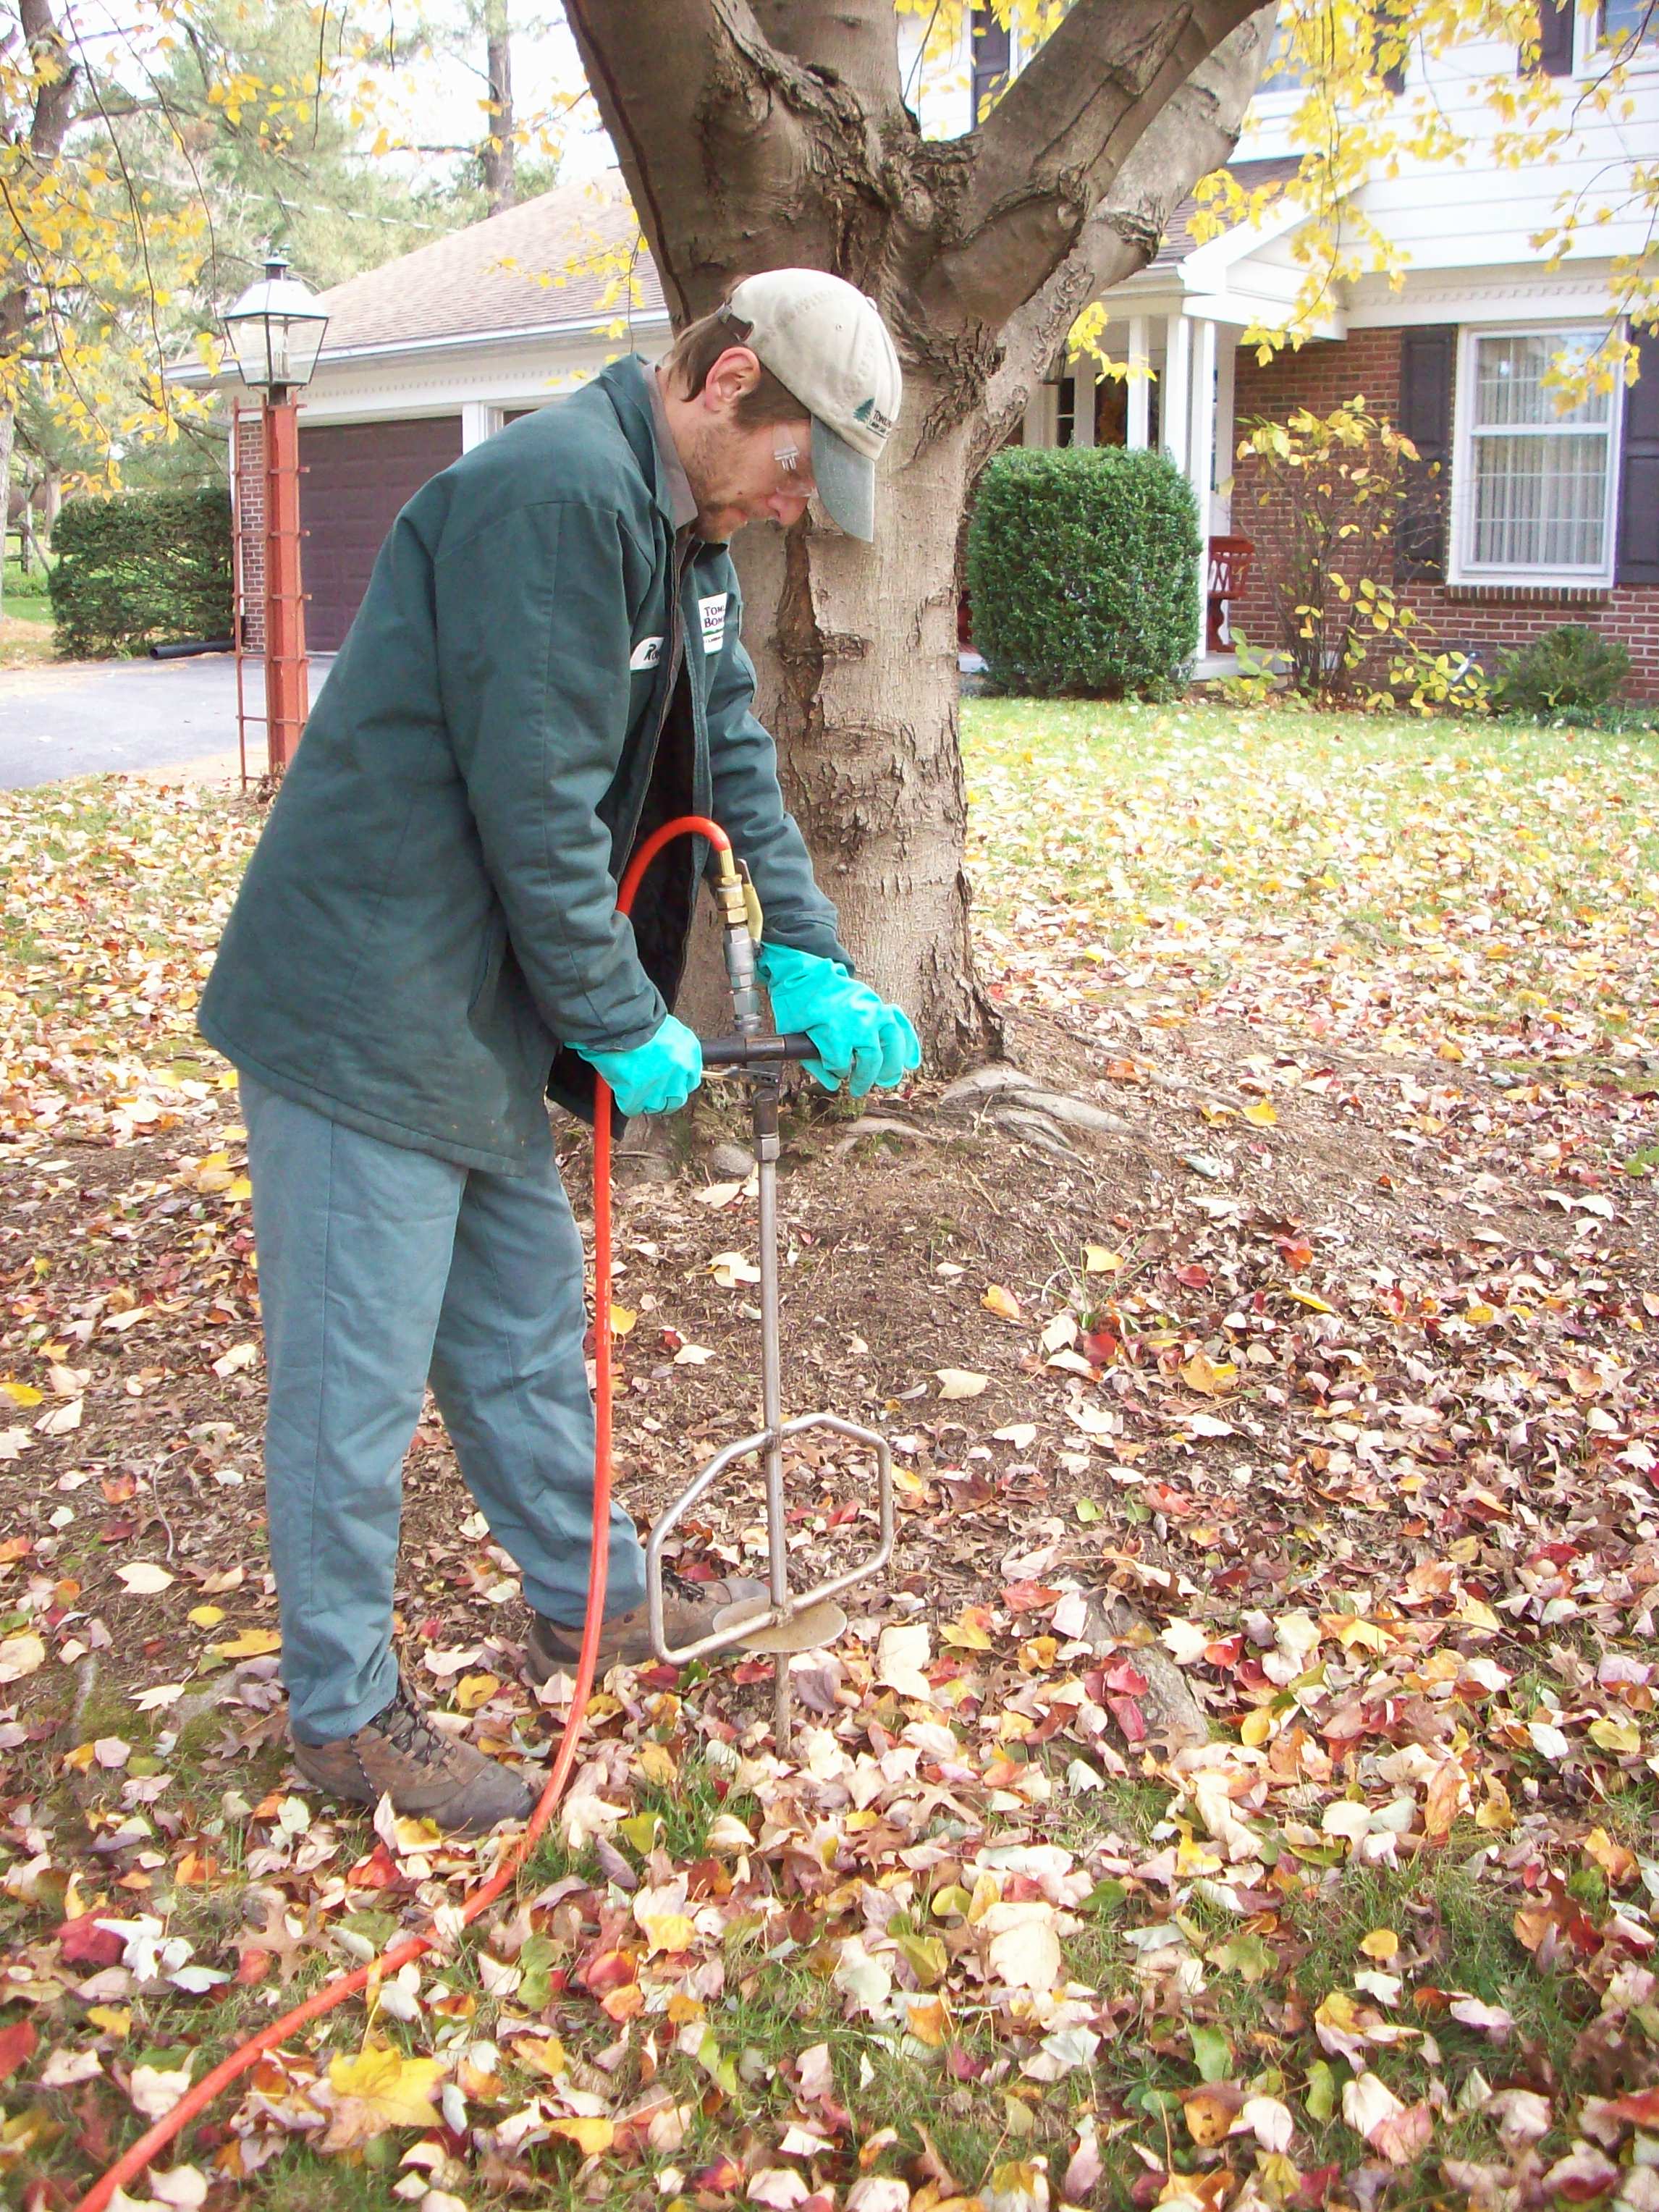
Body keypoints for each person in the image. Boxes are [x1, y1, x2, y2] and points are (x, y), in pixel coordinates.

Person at [197, 270, 918, 1833]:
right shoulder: (556, 499)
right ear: (727, 382)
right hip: (364, 998)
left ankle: (592, 1598)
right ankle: (340, 1712)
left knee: (524, 1325)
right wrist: (615, 1012)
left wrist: (809, 952)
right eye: (798, 464)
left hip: (472, 1000)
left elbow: (729, 753)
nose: (800, 507)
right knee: (354, 1385)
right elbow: (535, 799)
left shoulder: (684, 534)